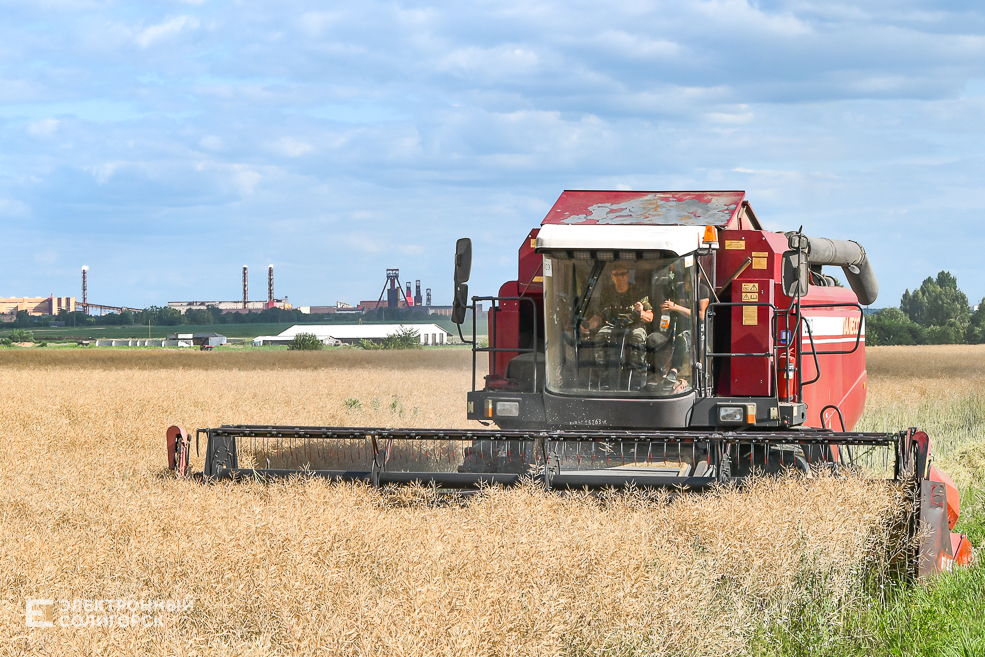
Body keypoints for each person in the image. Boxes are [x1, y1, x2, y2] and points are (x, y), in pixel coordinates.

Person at [581, 262, 653, 388]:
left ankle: (637, 380)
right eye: (617, 274)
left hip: (634, 325)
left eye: (623, 274)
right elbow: (598, 317)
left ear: (628, 275)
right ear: (612, 277)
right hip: (612, 325)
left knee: (637, 338)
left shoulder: (639, 292)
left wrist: (641, 312)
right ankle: (605, 378)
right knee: (599, 337)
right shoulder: (606, 292)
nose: (621, 277)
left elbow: (650, 316)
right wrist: (588, 325)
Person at [647, 272, 711, 391]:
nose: (688, 286)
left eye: (691, 283)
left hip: (694, 331)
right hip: (672, 329)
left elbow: (701, 315)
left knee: (682, 339)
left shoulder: (703, 290)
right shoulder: (677, 288)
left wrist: (676, 307)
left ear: (698, 278)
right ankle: (662, 375)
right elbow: (667, 306)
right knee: (652, 339)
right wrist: (665, 309)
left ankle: (674, 371)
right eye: (687, 282)